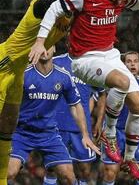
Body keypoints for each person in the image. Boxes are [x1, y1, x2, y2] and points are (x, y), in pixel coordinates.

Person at [29, 0, 139, 180]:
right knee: (122, 82)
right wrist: (40, 41)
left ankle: (130, 158)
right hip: (84, 59)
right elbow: (54, 8)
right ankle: (110, 134)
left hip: (110, 55)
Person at [0, 0, 125, 185]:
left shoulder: (64, 8)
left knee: (6, 129)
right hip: (3, 64)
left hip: (17, 73)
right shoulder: (40, 3)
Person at [7, 46, 100, 185]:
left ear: (54, 49)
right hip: (22, 133)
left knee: (69, 176)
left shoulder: (63, 76)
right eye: (41, 47)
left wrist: (85, 135)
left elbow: (75, 105)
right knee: (9, 173)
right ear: (34, 49)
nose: (45, 50)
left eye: (49, 45)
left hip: (49, 134)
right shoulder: (23, 74)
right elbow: (7, 103)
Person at [98, 51, 139, 185]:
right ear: (123, 64)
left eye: (135, 61)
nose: (132, 64)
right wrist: (98, 124)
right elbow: (103, 101)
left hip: (131, 133)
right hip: (113, 132)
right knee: (111, 171)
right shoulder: (113, 80)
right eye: (129, 61)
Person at [44, 52, 105, 185]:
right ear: (68, 41)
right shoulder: (55, 61)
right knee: (52, 168)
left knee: (85, 170)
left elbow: (102, 94)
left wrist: (99, 121)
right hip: (57, 125)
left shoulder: (92, 66)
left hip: (82, 128)